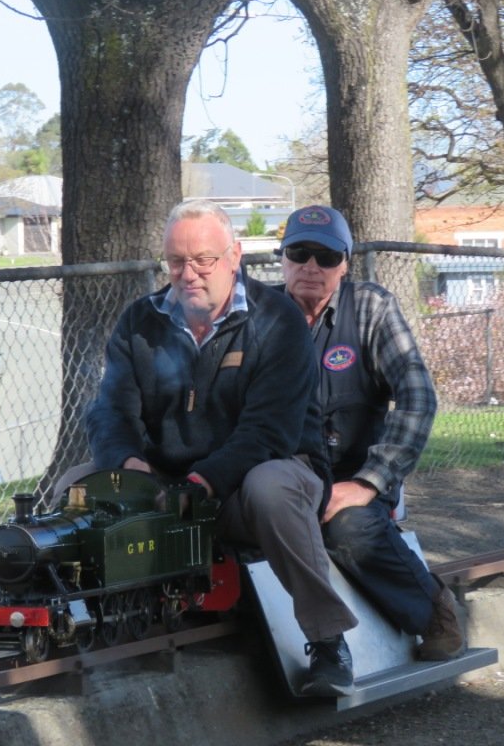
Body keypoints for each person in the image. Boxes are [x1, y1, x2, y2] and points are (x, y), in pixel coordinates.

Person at [69, 199, 359, 696]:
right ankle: (78, 625)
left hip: (262, 473)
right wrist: (129, 466)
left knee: (272, 488)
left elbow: (270, 431)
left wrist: (203, 482)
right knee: (73, 488)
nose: (189, 274)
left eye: (203, 260)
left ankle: (329, 642)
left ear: (234, 256)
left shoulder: (278, 320)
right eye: (177, 261)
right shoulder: (140, 321)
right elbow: (110, 411)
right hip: (168, 482)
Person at [277, 204, 465, 662]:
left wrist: (367, 483)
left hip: (353, 476)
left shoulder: (371, 308)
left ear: (345, 264)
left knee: (350, 531)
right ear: (282, 258)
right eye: (299, 252)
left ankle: (433, 611)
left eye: (326, 256)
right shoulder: (257, 315)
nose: (311, 266)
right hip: (280, 475)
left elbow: (419, 397)